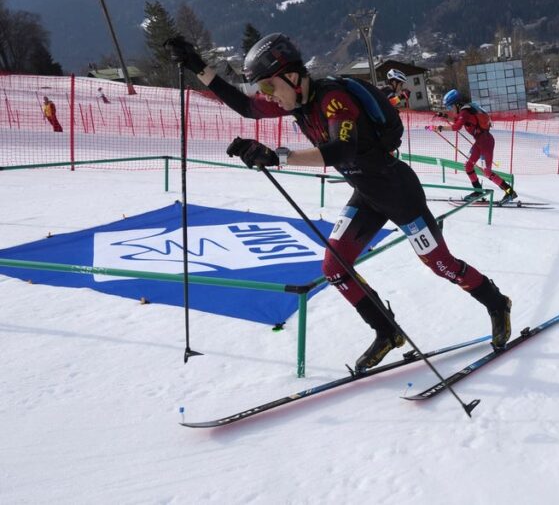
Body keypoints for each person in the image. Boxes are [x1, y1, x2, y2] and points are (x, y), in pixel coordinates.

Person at [165, 33, 512, 370]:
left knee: (441, 264)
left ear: (292, 77)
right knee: (334, 268)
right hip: (367, 195)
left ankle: (497, 303)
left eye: (269, 86)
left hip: (398, 193)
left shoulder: (333, 99)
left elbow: (341, 149)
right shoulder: (296, 102)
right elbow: (244, 106)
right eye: (262, 88)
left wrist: (278, 156)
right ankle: (387, 331)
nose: (267, 95)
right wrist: (198, 66)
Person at [433, 89, 518, 206]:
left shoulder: (465, 112)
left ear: (457, 104)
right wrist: (444, 116)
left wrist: (441, 128)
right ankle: (478, 191)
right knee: (468, 165)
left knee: (487, 172)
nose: (450, 110)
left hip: (486, 142)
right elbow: (458, 121)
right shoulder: (465, 112)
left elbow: (457, 126)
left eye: (450, 107)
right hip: (479, 142)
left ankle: (510, 192)